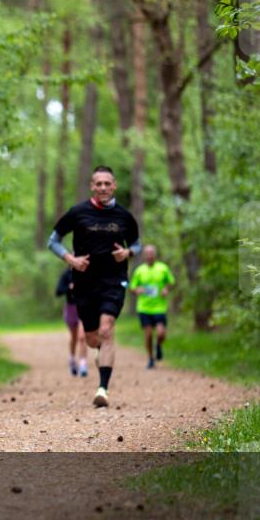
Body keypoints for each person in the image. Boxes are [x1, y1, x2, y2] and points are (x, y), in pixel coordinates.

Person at [48, 166, 140, 408]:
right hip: (84, 282)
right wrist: (70, 259)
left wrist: (128, 252)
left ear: (114, 186)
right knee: (90, 339)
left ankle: (103, 389)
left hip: (113, 280)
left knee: (107, 329)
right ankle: (99, 348)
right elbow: (53, 241)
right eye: (98, 184)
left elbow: (137, 245)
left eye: (107, 183)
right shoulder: (78, 212)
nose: (103, 188)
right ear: (92, 186)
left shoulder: (124, 216)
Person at [129, 245, 175, 369]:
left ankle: (158, 346)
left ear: (155, 254)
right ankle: (150, 358)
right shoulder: (139, 270)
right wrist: (136, 290)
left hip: (159, 307)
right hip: (144, 307)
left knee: (161, 333)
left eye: (151, 253)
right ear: (144, 255)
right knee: (148, 334)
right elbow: (132, 287)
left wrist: (166, 289)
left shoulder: (163, 268)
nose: (149, 255)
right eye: (147, 253)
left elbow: (171, 282)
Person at [55, 268, 88, 377]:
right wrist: (69, 288)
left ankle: (83, 364)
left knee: (82, 337)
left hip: (83, 307)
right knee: (74, 338)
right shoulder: (66, 275)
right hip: (71, 309)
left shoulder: (85, 272)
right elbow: (58, 291)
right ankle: (72, 359)